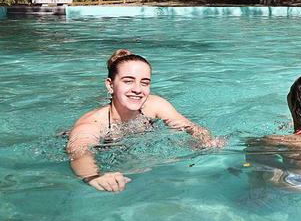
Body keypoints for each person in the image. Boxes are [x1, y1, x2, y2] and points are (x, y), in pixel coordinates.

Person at [66, 49, 223, 192]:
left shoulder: (155, 105)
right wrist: (93, 176)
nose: (138, 89)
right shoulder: (92, 123)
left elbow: (189, 126)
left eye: (145, 82)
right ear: (110, 85)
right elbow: (79, 151)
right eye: (128, 81)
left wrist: (206, 140)